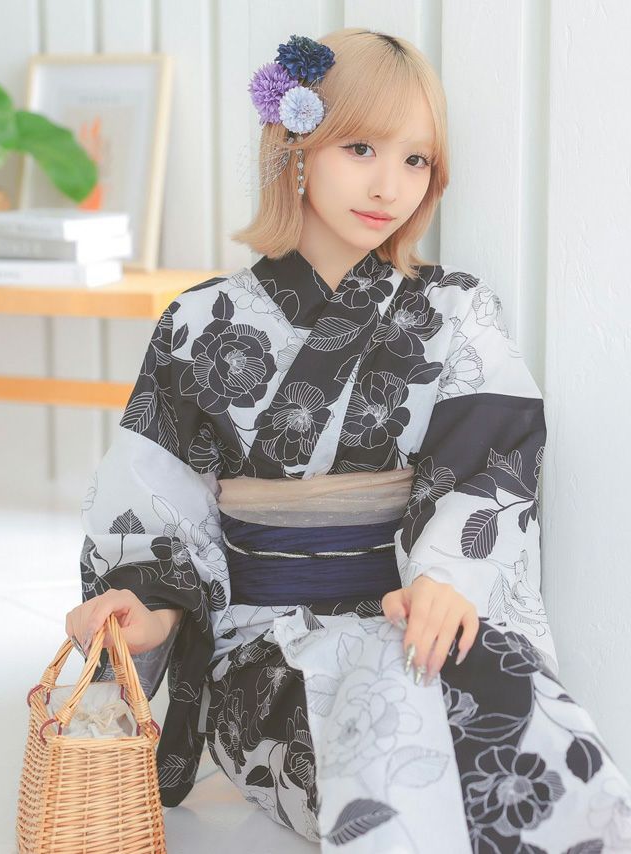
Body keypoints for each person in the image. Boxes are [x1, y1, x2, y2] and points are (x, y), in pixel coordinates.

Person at [65, 28, 631, 852]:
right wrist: (149, 612)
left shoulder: (457, 312)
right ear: (296, 145)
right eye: (360, 147)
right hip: (264, 649)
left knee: (546, 755)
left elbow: (493, 462)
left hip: (418, 616)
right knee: (386, 753)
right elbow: (153, 514)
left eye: (416, 160)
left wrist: (446, 582)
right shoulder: (199, 323)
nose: (388, 185)